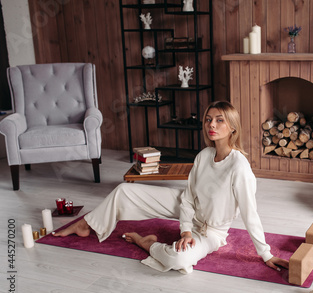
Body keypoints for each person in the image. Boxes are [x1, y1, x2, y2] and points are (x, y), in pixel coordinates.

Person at [54, 101, 289, 274]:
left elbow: (250, 214)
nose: (212, 125)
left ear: (233, 127)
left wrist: (266, 254)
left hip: (211, 231)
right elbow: (187, 199)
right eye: (208, 119)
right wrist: (185, 230)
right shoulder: (204, 155)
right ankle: (86, 225)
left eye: (219, 120)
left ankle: (145, 241)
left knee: (177, 260)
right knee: (125, 190)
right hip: (189, 210)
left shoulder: (239, 167)